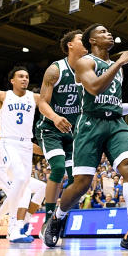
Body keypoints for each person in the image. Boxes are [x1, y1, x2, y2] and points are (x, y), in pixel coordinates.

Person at [41, 24, 128, 250]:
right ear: (92, 41)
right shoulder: (85, 63)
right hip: (90, 124)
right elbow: (95, 88)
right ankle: (57, 217)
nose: (109, 34)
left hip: (114, 123)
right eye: (103, 32)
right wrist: (119, 62)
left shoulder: (117, 69)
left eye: (109, 31)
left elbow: (114, 105)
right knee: (82, 184)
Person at [0, 55, 71, 244]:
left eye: (27, 76)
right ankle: (14, 228)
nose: (25, 79)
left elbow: (56, 102)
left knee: (39, 188)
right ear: (12, 80)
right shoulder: (3, 95)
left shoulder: (36, 98)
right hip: (8, 143)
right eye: (21, 76)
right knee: (22, 183)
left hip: (25, 145)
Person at [36, 30, 86, 235]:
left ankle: (60, 217)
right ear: (70, 45)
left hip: (72, 132)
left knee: (78, 183)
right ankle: (48, 220)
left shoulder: (87, 70)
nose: (86, 43)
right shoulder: (55, 70)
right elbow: (42, 103)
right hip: (50, 130)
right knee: (57, 169)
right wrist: (56, 118)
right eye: (82, 40)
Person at [0, 120, 47, 241]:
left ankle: (20, 222)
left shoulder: (23, 137)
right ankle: (15, 229)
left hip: (19, 176)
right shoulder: (4, 137)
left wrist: (52, 151)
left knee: (42, 187)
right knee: (25, 191)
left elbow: (36, 149)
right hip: (4, 174)